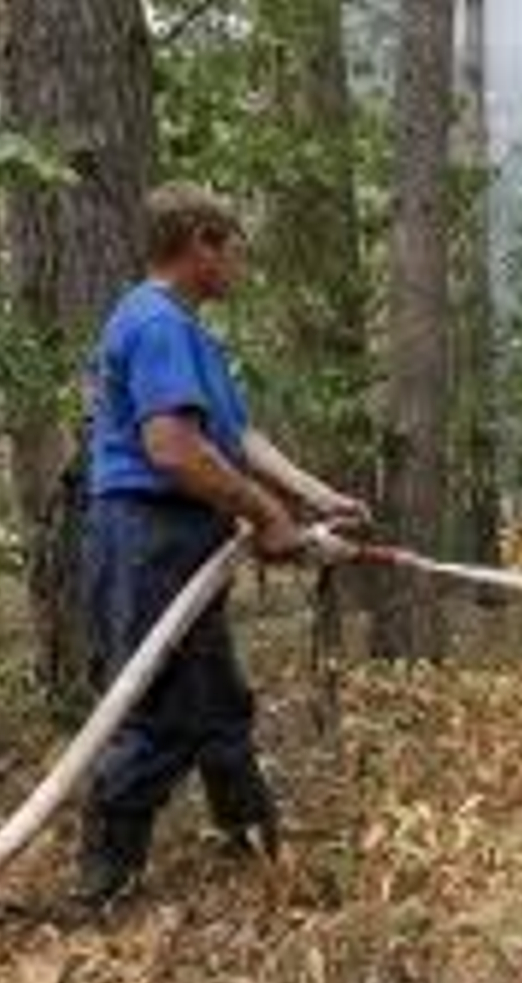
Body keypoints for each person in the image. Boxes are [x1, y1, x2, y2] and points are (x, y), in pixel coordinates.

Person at [77, 183, 368, 907]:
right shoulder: (154, 323)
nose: (240, 262)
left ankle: (254, 841)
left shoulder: (191, 333)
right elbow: (173, 448)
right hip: (148, 537)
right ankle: (102, 881)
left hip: (178, 536)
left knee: (216, 702)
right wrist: (269, 518)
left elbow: (235, 439)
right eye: (233, 246)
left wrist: (315, 496)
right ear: (200, 241)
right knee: (161, 713)